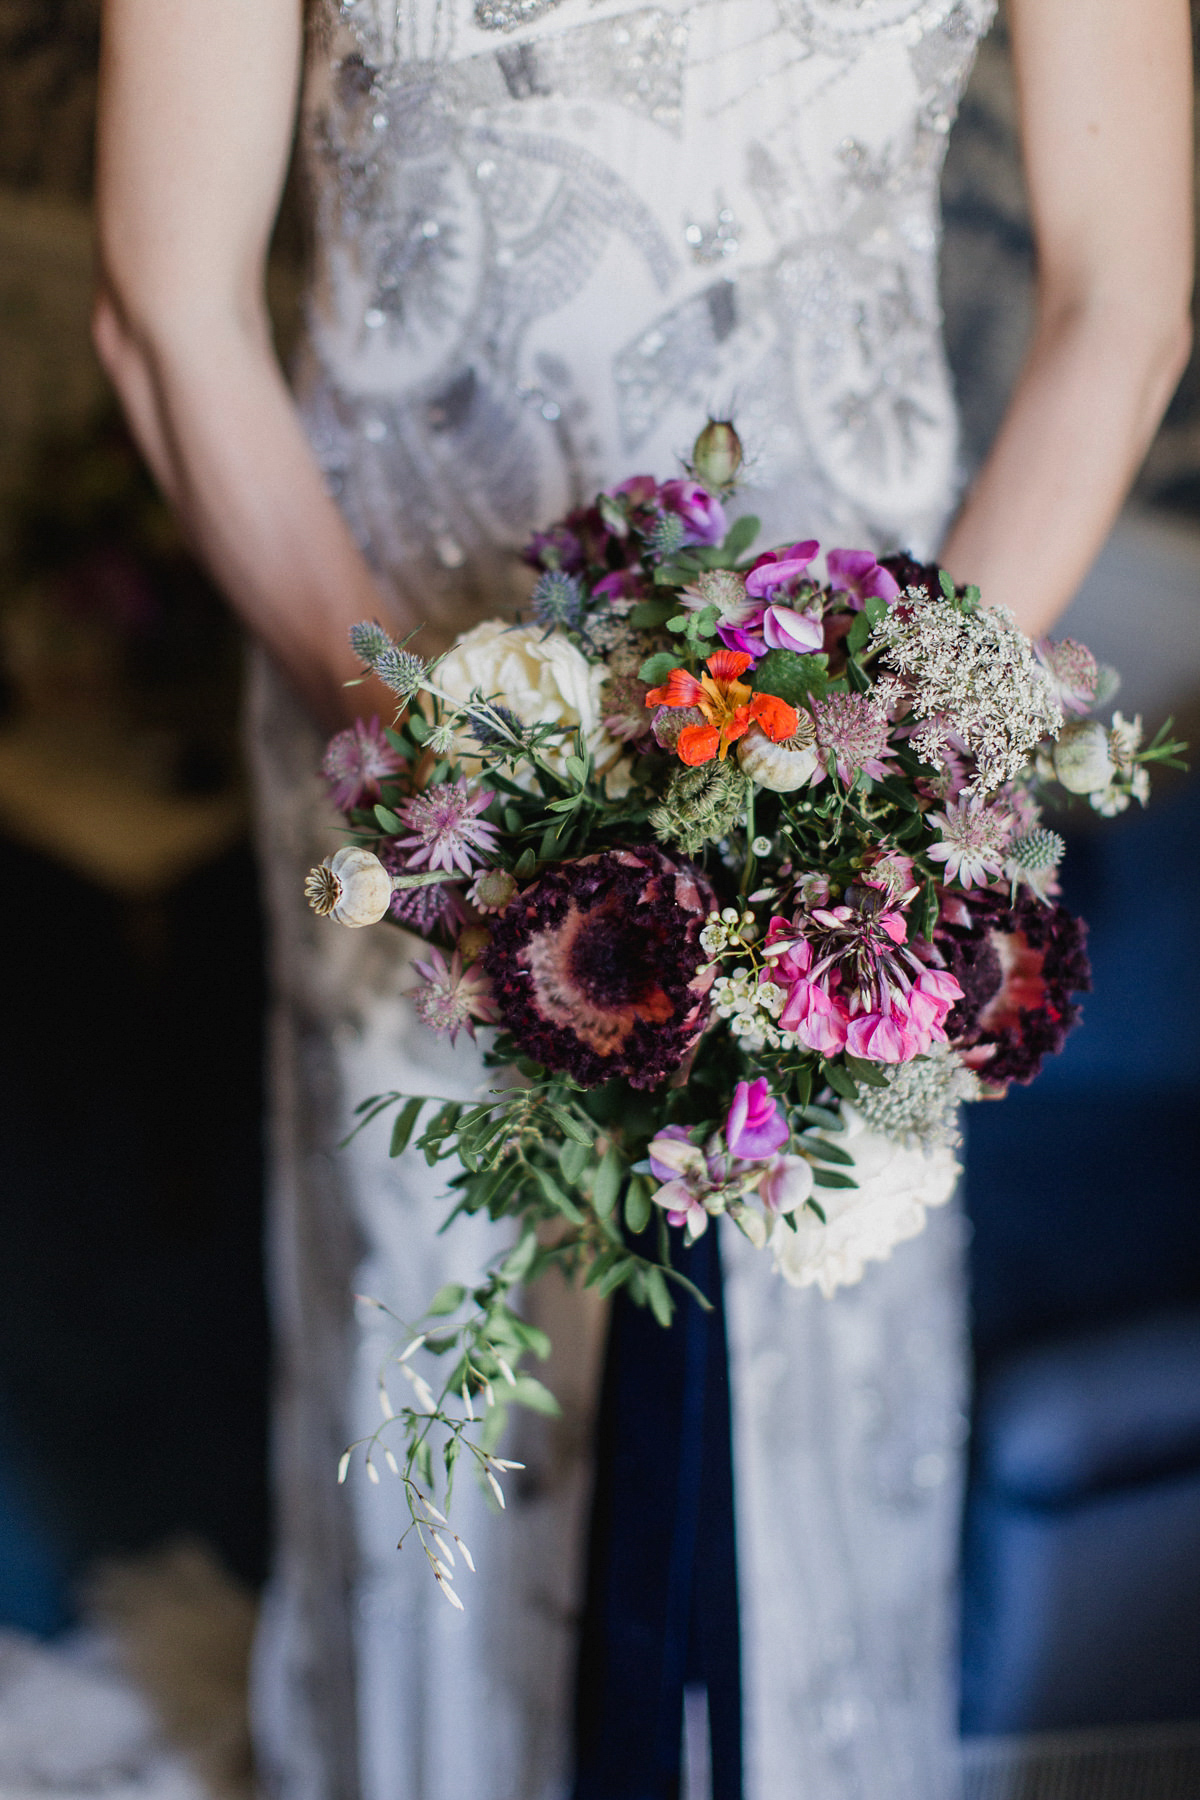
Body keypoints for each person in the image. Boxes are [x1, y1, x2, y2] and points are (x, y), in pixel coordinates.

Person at [92, 0, 1193, 1795]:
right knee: (444, 1344)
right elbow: (163, 313)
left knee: (807, 1333)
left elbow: (1122, 309)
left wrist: (881, 794)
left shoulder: (870, 791)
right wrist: (466, 803)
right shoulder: (433, 785)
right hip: (400, 719)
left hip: (857, 761)